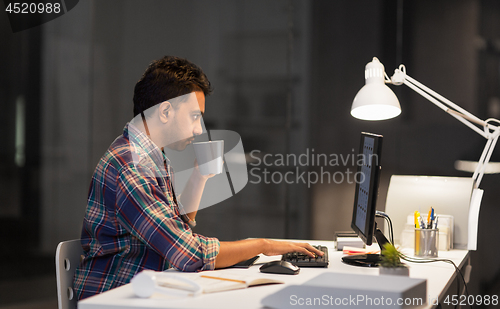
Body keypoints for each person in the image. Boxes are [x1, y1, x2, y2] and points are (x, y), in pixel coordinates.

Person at [74, 56, 323, 300]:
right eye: (195, 116)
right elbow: (188, 254)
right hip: (115, 298)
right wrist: (263, 245)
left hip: (145, 289)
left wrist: (199, 176)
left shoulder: (152, 156)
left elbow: (176, 226)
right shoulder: (133, 167)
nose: (199, 129)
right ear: (165, 111)